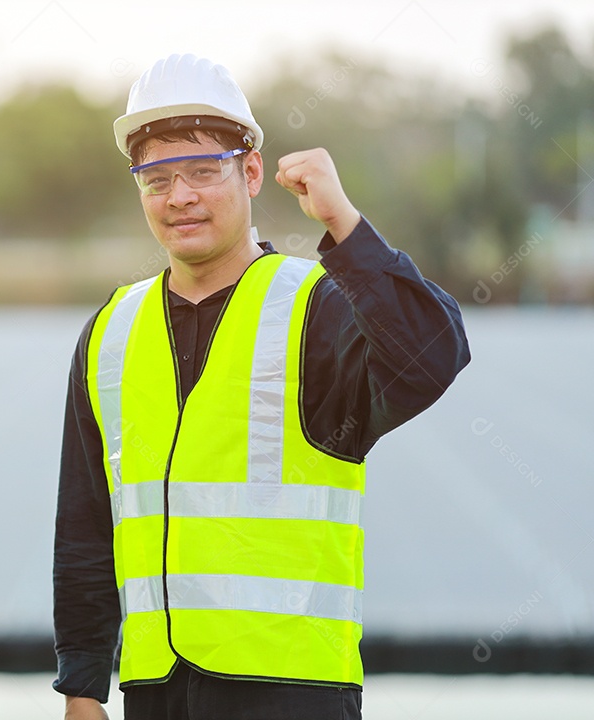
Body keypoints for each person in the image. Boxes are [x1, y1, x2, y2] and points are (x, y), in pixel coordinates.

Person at [52, 54, 471, 720]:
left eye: (201, 171)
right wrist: (81, 685)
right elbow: (84, 522)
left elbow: (433, 355)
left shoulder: (317, 308)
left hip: (293, 691)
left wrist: (346, 226)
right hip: (154, 691)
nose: (179, 196)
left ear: (251, 173)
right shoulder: (111, 332)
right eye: (156, 178)